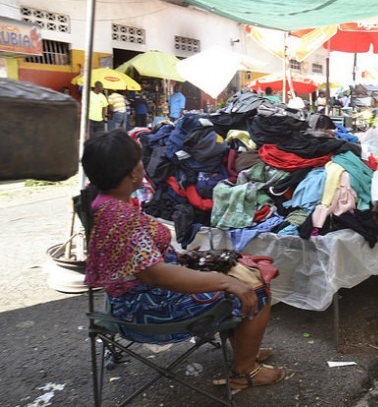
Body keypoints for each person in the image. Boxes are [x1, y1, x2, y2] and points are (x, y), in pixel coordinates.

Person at [81, 130, 285, 390]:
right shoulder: (120, 218)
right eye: (140, 161)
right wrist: (224, 282)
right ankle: (244, 370)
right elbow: (155, 275)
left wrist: (190, 260)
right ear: (133, 173)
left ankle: (246, 349)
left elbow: (140, 262)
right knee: (255, 288)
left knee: (244, 269)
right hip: (147, 308)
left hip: (135, 295)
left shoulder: (104, 202)